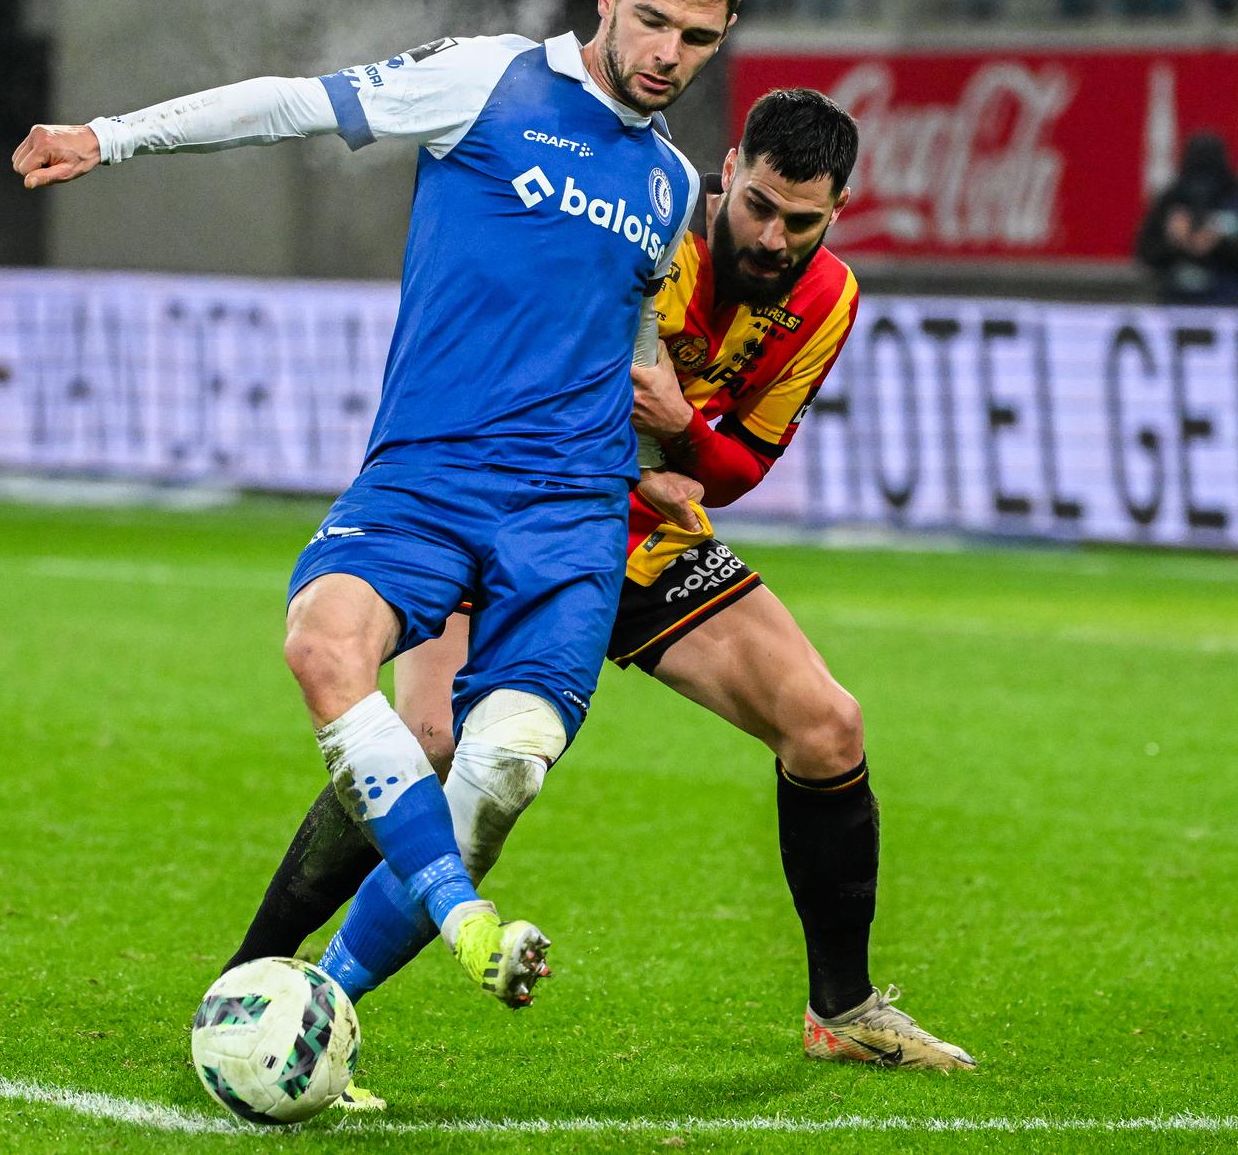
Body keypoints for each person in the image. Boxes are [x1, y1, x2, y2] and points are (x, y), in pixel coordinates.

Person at [11, 0, 748, 1011]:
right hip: (431, 473)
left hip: (570, 511)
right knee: (322, 648)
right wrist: (109, 137)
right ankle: (464, 924)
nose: (665, 56)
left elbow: (631, 337)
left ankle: (325, 1010)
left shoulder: (673, 185)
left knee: (493, 768)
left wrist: (664, 447)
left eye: (696, 40)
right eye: (651, 22)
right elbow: (292, 105)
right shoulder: (489, 81)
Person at [230, 90, 976, 1096]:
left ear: (839, 211)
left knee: (828, 726)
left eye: (802, 220)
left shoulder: (828, 298)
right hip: (512, 511)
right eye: (758, 204)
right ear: (727, 173)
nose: (774, 234)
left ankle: (840, 1010)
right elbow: (518, 379)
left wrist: (678, 431)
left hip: (644, 548)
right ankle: (252, 981)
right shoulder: (641, 230)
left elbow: (738, 467)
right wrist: (651, 461)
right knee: (432, 750)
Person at [1134, 132, 1238, 306]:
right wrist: (1177, 242)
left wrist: (1218, 242)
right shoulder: (1173, 199)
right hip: (1176, 302)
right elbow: (1146, 253)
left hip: (1234, 303)